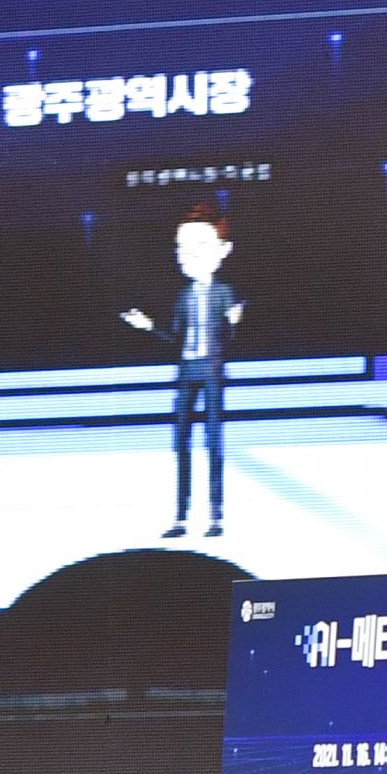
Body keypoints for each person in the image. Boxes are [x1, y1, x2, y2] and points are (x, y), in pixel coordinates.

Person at [122, 203, 243, 538]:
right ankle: (181, 518)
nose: (188, 256)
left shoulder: (224, 293)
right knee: (181, 445)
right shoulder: (183, 296)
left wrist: (234, 324)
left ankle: (215, 517)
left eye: (199, 246)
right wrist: (148, 327)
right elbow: (175, 338)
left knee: (213, 444)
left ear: (223, 251)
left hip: (212, 373)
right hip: (187, 373)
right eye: (182, 248)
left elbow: (231, 338)